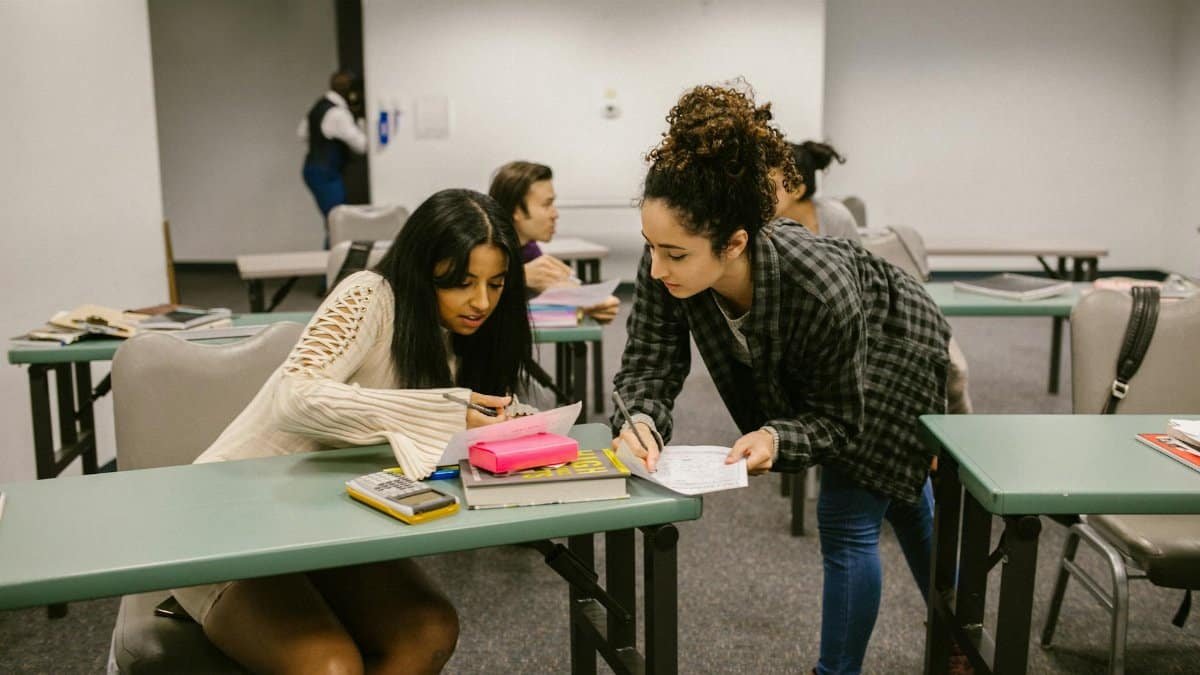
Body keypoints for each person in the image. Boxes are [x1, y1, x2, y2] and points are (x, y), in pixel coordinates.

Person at [611, 84, 950, 675]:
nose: (657, 267)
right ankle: (959, 632)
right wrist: (639, 418)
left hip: (897, 348)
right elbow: (649, 362)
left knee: (849, 515)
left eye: (675, 254)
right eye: (650, 248)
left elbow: (839, 419)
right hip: (827, 355)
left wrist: (777, 438)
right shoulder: (665, 260)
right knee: (904, 495)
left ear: (735, 242)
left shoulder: (818, 285)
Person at [172, 188, 533, 674]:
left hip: (328, 530)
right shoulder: (370, 295)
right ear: (422, 269)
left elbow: (437, 429)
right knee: (331, 667)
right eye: (460, 282)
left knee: (429, 633)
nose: (481, 301)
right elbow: (295, 396)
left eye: (496, 283)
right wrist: (446, 410)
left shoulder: (461, 336)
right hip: (232, 526)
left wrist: (505, 422)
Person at [488, 161, 620, 323]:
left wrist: (592, 303)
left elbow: (554, 289)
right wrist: (519, 276)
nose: (555, 214)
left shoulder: (529, 249)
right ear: (517, 210)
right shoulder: (483, 247)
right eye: (547, 204)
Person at [299, 69, 369, 249]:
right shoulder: (338, 114)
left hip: (314, 169)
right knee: (338, 224)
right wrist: (362, 123)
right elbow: (362, 145)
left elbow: (301, 134)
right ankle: (331, 272)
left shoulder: (319, 106)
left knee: (334, 222)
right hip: (326, 174)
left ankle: (330, 270)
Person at [771, 140, 860, 242]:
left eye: (773, 187)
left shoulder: (837, 218)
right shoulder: (764, 224)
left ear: (798, 191)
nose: (764, 194)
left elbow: (858, 257)